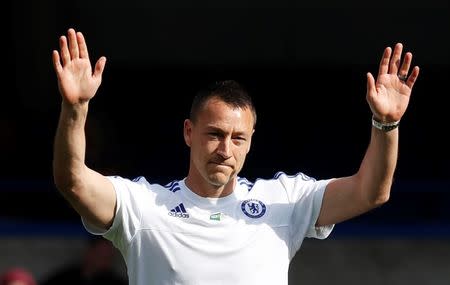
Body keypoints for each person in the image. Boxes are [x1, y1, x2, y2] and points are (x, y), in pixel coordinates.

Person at [51, 28, 420, 285]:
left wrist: (385, 125)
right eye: (214, 134)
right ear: (188, 133)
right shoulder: (143, 205)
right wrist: (76, 108)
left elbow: (371, 192)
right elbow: (73, 181)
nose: (226, 149)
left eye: (237, 138)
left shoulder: (285, 201)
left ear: (250, 141)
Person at [40, 236, 126, 285]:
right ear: (89, 253)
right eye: (101, 256)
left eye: (108, 257)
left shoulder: (116, 282)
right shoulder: (67, 277)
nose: (104, 262)